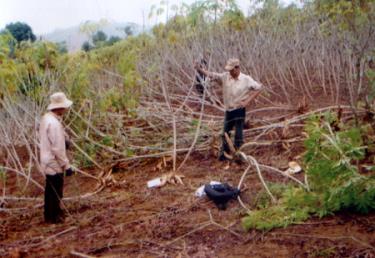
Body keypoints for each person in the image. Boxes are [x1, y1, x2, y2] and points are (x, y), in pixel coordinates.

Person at [195, 58, 263, 161]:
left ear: (237, 68)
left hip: (239, 110)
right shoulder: (225, 77)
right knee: (225, 133)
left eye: (232, 70)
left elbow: (259, 88)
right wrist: (200, 69)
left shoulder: (246, 79)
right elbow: (212, 75)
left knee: (238, 134)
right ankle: (224, 154)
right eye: (229, 70)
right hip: (228, 110)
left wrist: (246, 102)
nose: (230, 72)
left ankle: (238, 154)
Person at [39, 92, 74, 223]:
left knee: (50, 189)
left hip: (46, 158)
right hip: (53, 161)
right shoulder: (53, 123)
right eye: (64, 106)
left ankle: (51, 214)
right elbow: (57, 148)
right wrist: (67, 166)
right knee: (55, 189)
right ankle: (53, 217)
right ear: (59, 107)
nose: (66, 109)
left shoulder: (46, 118)